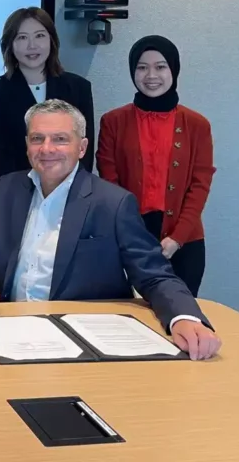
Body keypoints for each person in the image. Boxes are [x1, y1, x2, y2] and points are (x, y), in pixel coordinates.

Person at [0, 99, 221, 361]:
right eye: (37, 139)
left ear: (82, 148)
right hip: (9, 330)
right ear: (27, 146)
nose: (47, 149)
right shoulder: (7, 188)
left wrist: (183, 317)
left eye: (60, 139)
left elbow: (154, 275)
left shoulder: (112, 202)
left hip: (81, 339)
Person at [96, 35, 215, 297]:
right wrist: (132, 237)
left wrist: (177, 239)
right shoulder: (113, 121)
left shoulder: (197, 125)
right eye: (142, 67)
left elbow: (200, 185)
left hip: (183, 240)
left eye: (160, 67)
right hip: (128, 237)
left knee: (179, 322)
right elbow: (109, 184)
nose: (151, 75)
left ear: (173, 69)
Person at [0, 7, 94, 180]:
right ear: (9, 45)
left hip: (70, 195)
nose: (32, 45)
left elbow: (84, 153)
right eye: (22, 38)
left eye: (40, 36)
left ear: (52, 40)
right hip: (17, 197)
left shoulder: (79, 88)